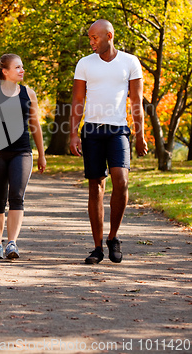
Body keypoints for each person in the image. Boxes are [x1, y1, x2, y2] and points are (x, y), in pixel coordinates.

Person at [70, 19, 148, 264]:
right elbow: (78, 101)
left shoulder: (130, 62)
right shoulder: (84, 64)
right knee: (96, 186)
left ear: (109, 36)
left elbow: (136, 102)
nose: (91, 42)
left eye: (95, 38)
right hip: (92, 130)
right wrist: (73, 133)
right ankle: (97, 248)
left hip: (118, 131)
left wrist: (140, 135)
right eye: (90, 38)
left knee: (121, 181)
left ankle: (113, 237)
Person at [0, 54, 46, 259]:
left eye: (22, 66)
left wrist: (41, 155)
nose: (22, 70)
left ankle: (12, 244)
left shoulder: (29, 94)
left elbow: (35, 126)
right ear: (5, 71)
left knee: (17, 197)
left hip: (22, 152)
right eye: (17, 67)